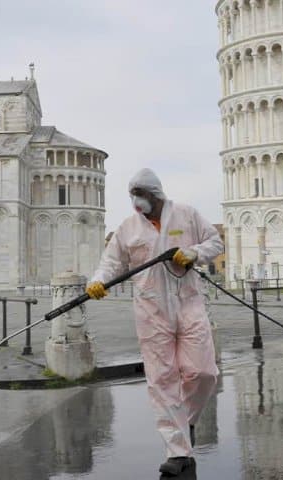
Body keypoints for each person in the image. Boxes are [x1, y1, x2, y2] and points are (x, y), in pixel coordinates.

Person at [86, 168, 223, 476]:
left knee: (203, 372)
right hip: (151, 310)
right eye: (133, 195)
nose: (136, 201)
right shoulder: (128, 228)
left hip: (188, 304)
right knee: (162, 379)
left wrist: (193, 253)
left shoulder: (186, 216)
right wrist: (97, 281)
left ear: (156, 194)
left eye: (141, 195)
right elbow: (111, 263)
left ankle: (185, 420)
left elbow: (216, 242)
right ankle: (177, 451)